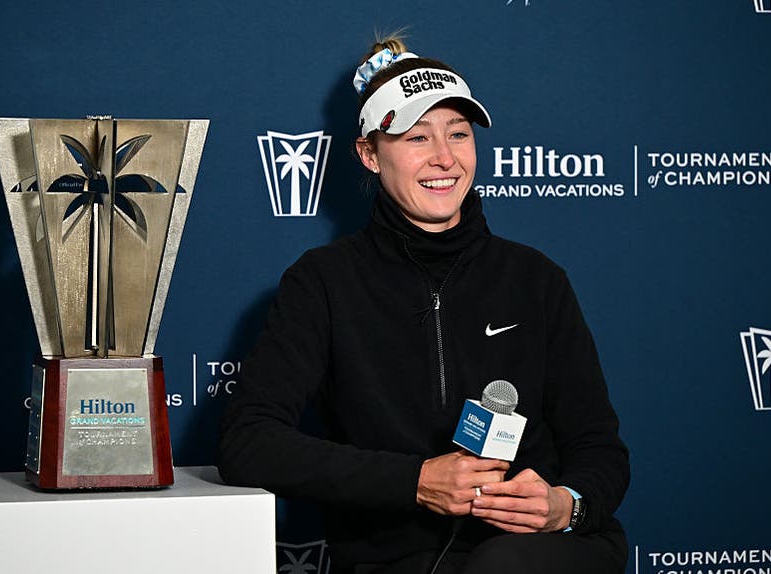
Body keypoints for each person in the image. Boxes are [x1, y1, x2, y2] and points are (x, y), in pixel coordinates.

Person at [218, 36, 630, 574]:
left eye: (458, 134)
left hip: (537, 552)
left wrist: (566, 506)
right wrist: (414, 482)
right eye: (417, 138)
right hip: (394, 556)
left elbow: (599, 447)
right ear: (369, 154)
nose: (445, 158)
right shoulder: (322, 282)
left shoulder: (535, 278)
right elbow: (249, 442)